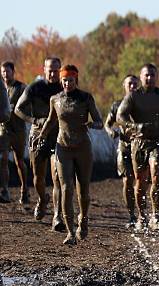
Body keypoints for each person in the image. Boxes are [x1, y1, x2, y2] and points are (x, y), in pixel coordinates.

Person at [34, 65, 103, 245]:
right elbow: (50, 120)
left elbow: (99, 122)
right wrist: (41, 136)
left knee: (83, 190)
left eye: (70, 80)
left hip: (82, 148)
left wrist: (91, 125)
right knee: (66, 188)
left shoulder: (86, 98)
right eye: (64, 80)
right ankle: (70, 232)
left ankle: (84, 219)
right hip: (62, 147)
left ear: (76, 80)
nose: (67, 83)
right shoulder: (55, 99)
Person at [117, 63, 159, 231]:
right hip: (139, 143)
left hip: (158, 140)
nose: (150, 78)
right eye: (146, 75)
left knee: (156, 176)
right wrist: (135, 127)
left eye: (153, 75)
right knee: (140, 181)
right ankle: (141, 216)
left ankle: (155, 215)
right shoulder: (133, 96)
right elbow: (120, 116)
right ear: (141, 76)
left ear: (157, 76)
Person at [14, 57, 64, 230]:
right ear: (44, 69)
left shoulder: (64, 88)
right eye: (50, 69)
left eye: (56, 70)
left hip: (58, 135)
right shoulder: (35, 87)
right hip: (38, 135)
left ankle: (57, 215)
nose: (53, 73)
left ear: (60, 70)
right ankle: (43, 199)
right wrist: (34, 120)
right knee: (38, 178)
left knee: (58, 176)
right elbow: (18, 109)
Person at [105, 74, 139, 227]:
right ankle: (132, 215)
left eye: (135, 84)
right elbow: (107, 124)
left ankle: (144, 213)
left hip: (141, 147)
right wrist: (111, 131)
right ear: (124, 86)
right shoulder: (117, 105)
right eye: (129, 84)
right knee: (127, 180)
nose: (132, 86)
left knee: (141, 182)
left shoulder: (144, 105)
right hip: (124, 147)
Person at [0, 62, 28, 204]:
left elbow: (27, 105)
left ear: (13, 72)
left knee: (19, 162)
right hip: (4, 128)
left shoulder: (21, 87)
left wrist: (15, 108)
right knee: (3, 159)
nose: (5, 74)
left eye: (8, 71)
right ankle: (4, 191)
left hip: (18, 129)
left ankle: (24, 190)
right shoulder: (0, 87)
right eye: (3, 71)